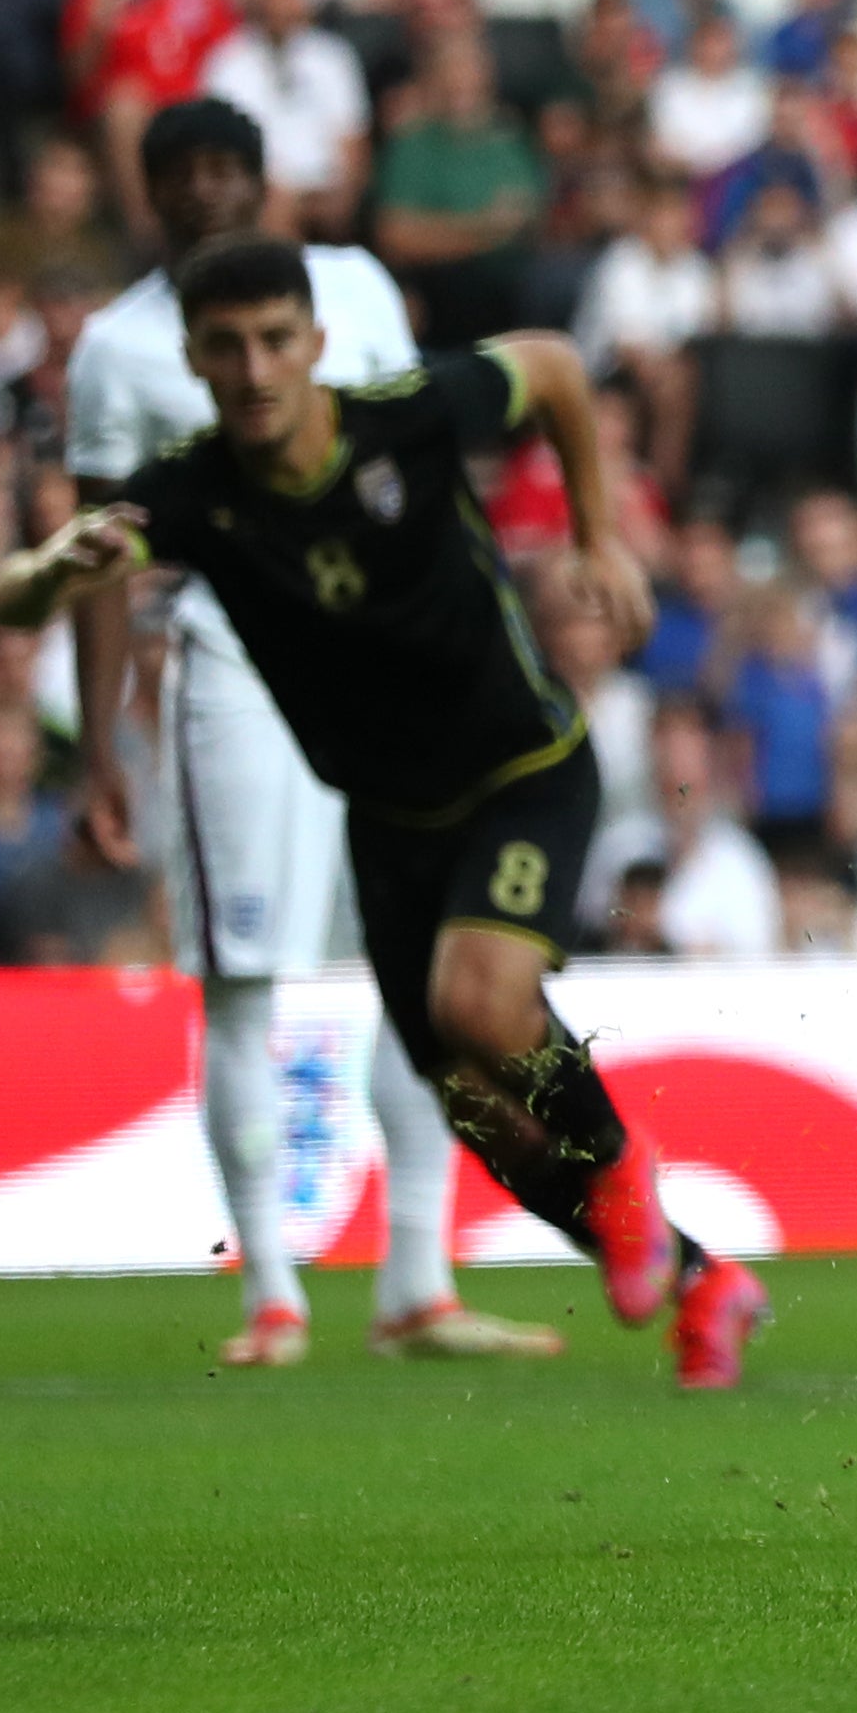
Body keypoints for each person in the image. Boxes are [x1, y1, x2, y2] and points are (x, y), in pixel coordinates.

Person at [0, 234, 774, 1388]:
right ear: (196, 362)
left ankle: (619, 1173)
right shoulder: (194, 492)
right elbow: (13, 598)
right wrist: (63, 562)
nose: (255, 369)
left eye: (275, 341)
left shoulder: (403, 415)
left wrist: (599, 538)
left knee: (478, 1005)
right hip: (389, 818)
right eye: (226, 348)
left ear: (314, 343)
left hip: (520, 765)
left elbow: (559, 367)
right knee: (470, 1099)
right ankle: (709, 1280)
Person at [60, 100, 549, 1367]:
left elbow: (424, 461)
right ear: (150, 191)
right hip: (234, 675)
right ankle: (271, 1286)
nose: (211, 190)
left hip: (398, 677)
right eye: (185, 173)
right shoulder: (118, 350)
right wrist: (101, 745)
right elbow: (97, 561)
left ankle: (418, 1281)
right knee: (242, 977)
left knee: (424, 977)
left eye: (233, 167)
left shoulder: (357, 290)